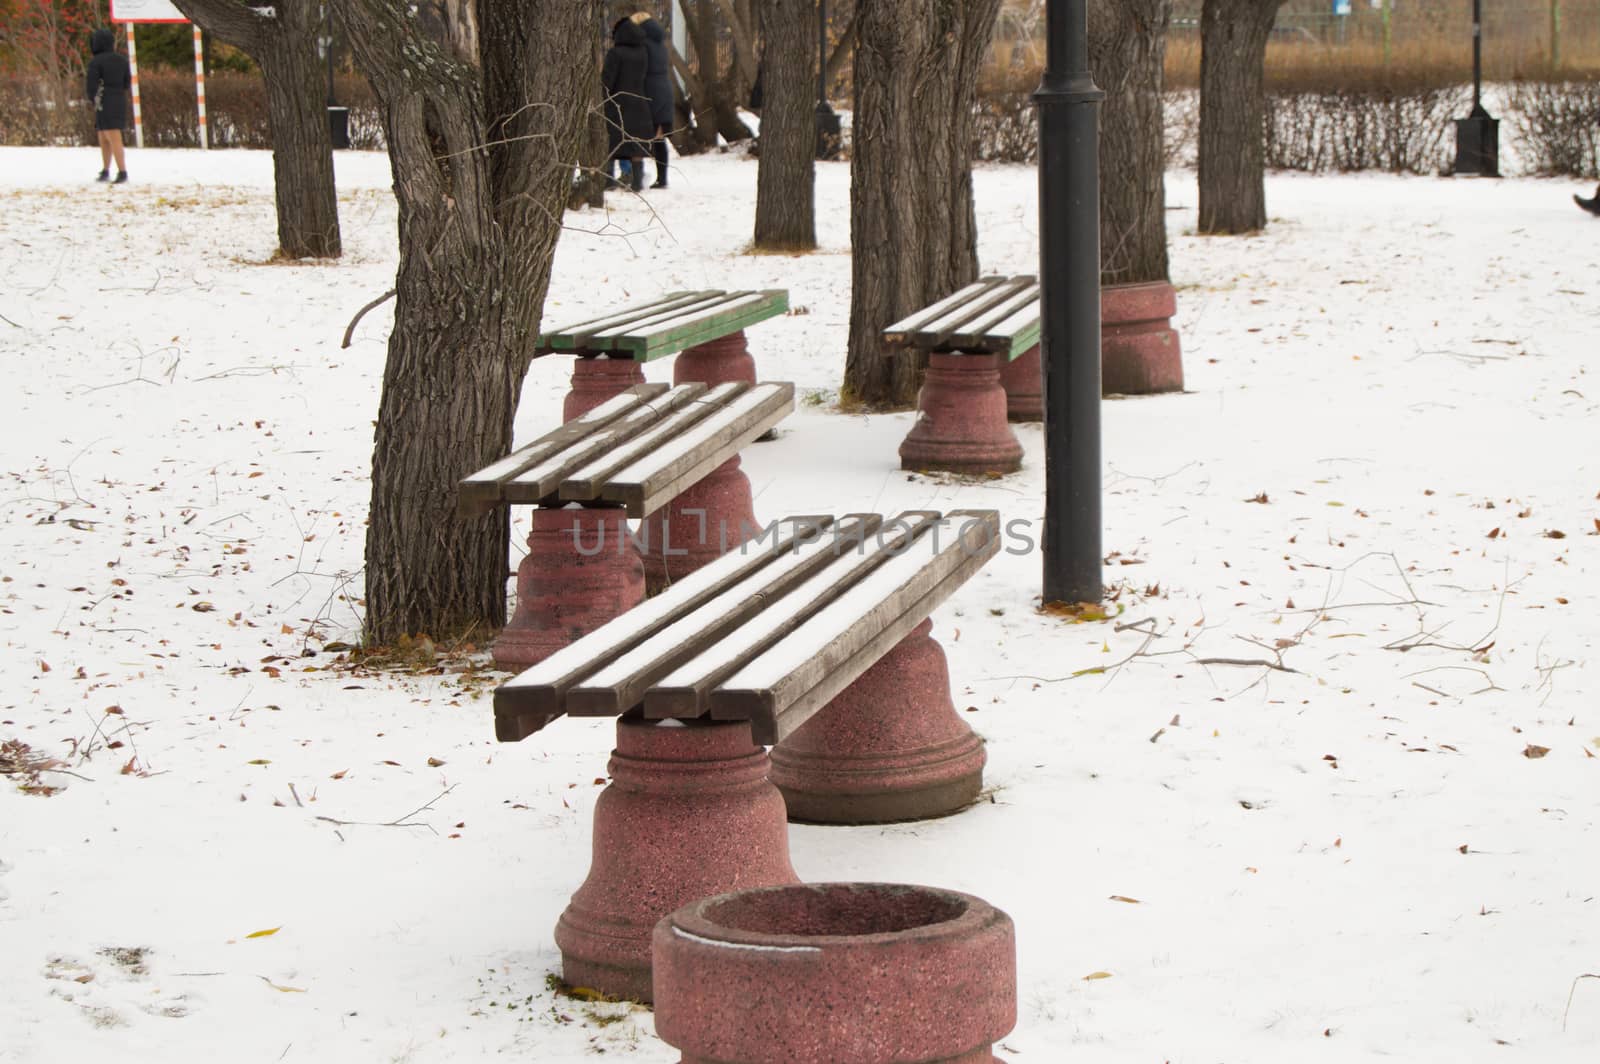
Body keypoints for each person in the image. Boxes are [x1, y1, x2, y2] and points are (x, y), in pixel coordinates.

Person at [602, 18, 653, 193]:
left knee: (612, 142)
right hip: (639, 102)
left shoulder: (615, 54)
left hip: (618, 104)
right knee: (636, 145)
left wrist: (603, 96)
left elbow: (607, 80)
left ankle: (608, 180)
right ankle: (637, 182)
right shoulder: (643, 52)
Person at [630, 12, 675, 189]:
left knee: (639, 134)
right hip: (664, 88)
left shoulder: (643, 45)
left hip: (649, 89)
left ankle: (637, 179)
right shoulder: (660, 44)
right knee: (659, 136)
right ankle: (662, 178)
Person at [86, 28, 131, 184]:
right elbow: (127, 82)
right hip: (118, 98)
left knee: (109, 136)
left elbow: (91, 85)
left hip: (103, 99)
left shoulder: (96, 62)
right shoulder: (122, 60)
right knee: (106, 135)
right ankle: (106, 169)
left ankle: (122, 171)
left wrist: (93, 99)